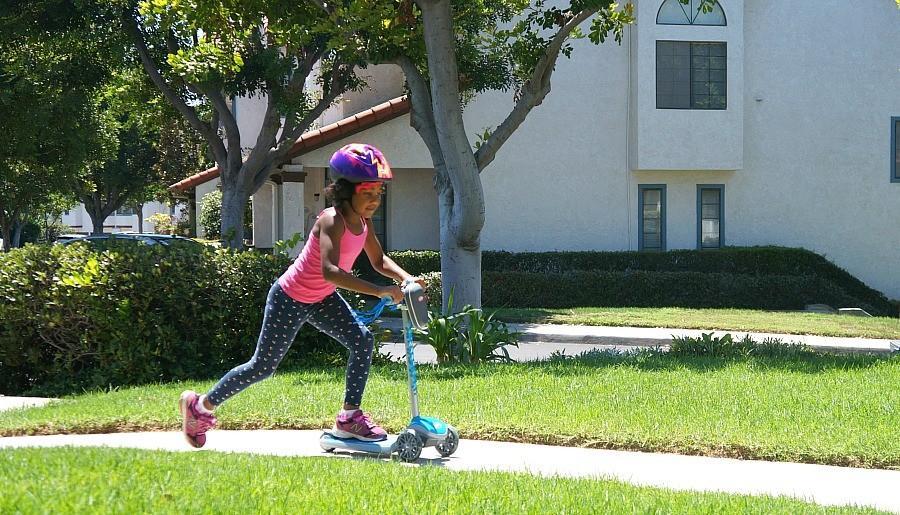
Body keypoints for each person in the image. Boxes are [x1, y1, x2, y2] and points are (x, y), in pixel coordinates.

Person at [179, 143, 423, 448]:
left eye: (378, 192)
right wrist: (379, 291)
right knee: (262, 366)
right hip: (289, 298)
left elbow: (378, 260)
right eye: (367, 192)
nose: (375, 200)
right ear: (345, 191)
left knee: (362, 340)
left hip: (322, 299)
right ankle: (199, 406)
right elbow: (330, 271)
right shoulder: (331, 220)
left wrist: (405, 278)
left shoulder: (364, 221)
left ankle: (349, 417)